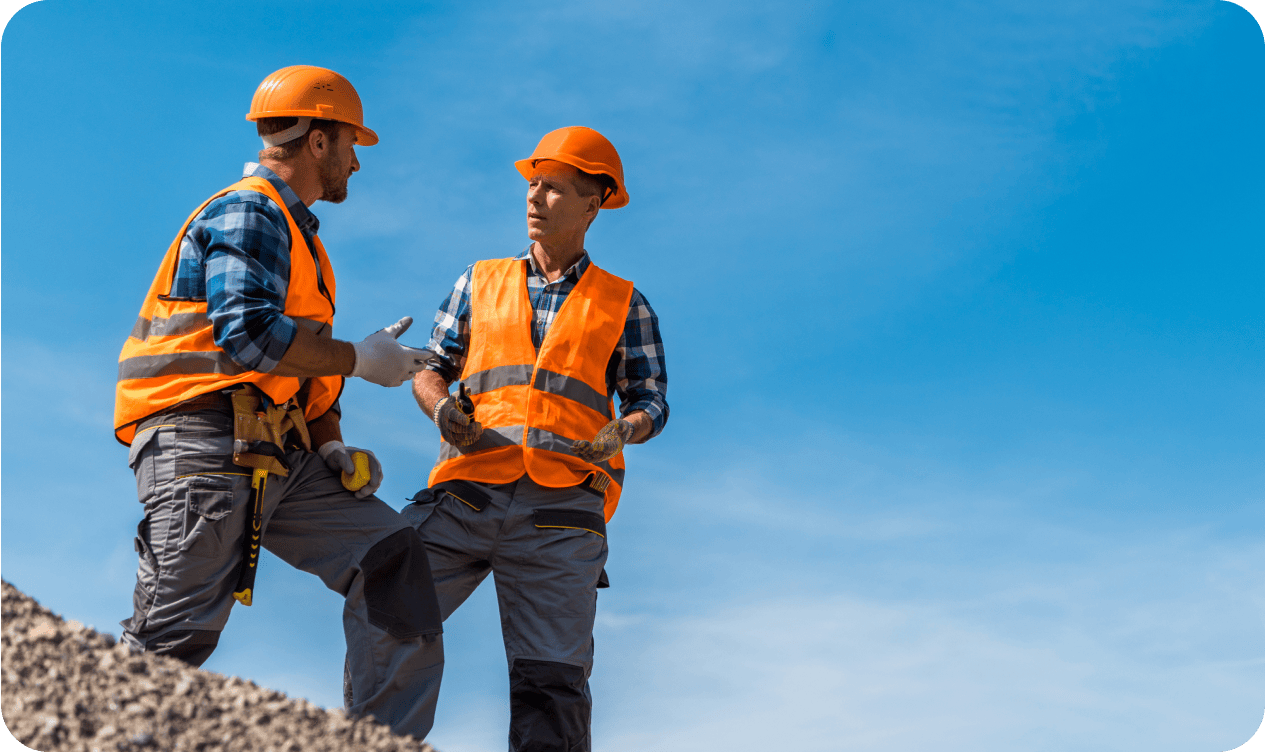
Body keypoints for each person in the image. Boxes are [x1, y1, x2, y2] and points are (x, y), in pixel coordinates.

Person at [114, 65, 444, 739]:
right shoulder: (251, 211)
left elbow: (297, 367)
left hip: (277, 453)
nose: (358, 159)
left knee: (390, 555)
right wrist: (361, 361)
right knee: (170, 645)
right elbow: (252, 336)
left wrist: (329, 443)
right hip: (204, 443)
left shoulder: (299, 239)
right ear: (318, 142)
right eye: (352, 142)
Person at [403, 126, 669, 751]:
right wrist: (442, 410)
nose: (534, 198)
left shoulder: (624, 304)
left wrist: (622, 431)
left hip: (562, 513)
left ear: (593, 203)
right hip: (466, 493)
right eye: (532, 185)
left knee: (553, 681)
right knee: (387, 610)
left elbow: (650, 399)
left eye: (552, 189)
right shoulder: (481, 280)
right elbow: (428, 368)